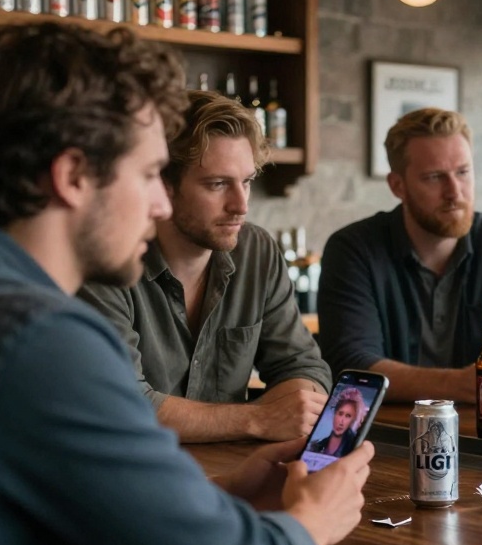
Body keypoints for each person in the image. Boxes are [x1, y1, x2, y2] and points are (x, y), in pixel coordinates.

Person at [0, 23, 373, 545]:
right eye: (150, 173)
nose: (159, 202)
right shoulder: (40, 340)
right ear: (73, 175)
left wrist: (217, 498)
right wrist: (315, 517)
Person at [80, 90, 330, 443]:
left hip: (236, 472)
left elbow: (302, 365)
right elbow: (123, 405)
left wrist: (297, 404)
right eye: (217, 184)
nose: (241, 205)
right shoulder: (108, 260)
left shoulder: (256, 251)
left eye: (246, 181)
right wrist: (259, 419)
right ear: (164, 186)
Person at [317, 107, 482, 404]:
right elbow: (352, 364)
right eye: (435, 177)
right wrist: (456, 385)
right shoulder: (354, 249)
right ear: (398, 186)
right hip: (388, 433)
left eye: (463, 172)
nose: (455, 192)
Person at [308, 387, 365, 457]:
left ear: (354, 420)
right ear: (335, 414)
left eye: (348, 416)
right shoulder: (316, 446)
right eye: (340, 414)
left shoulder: (353, 451)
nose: (341, 421)